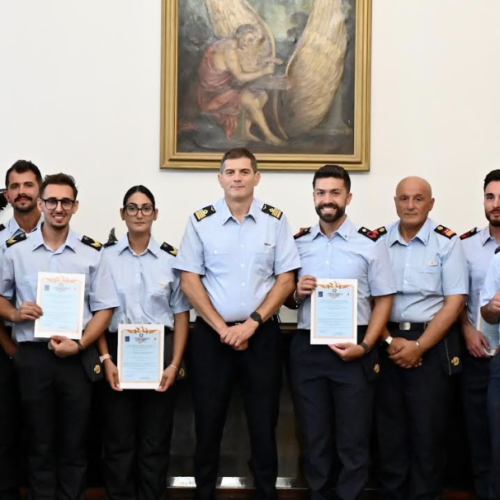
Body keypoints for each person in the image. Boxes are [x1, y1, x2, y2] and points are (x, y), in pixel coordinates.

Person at [174, 147, 300, 500]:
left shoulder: (276, 220)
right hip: (212, 338)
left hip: (262, 336)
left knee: (264, 422)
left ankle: (265, 492)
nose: (237, 178)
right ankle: (203, 493)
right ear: (220, 178)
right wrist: (223, 327)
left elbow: (286, 280)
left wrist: (251, 324)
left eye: (245, 172)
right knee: (208, 422)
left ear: (256, 178)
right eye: (230, 172)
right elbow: (189, 280)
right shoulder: (200, 220)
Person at [0, 173, 119, 500]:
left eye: (66, 201)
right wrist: (14, 313)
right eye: (51, 201)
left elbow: (105, 309)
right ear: (41, 204)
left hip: (76, 357)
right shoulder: (15, 251)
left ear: (75, 206)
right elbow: (0, 297)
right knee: (38, 443)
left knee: (75, 443)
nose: (58, 208)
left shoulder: (92, 252)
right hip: (33, 358)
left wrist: (80, 344)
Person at [289, 165, 395, 500]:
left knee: (353, 438)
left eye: (335, 193)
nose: (327, 199)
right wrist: (296, 293)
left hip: (354, 347)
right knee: (313, 436)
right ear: (314, 197)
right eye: (321, 192)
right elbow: (287, 299)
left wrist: (365, 346)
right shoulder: (298, 243)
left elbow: (384, 300)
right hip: (308, 349)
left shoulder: (370, 244)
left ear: (348, 196)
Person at [376, 176, 468, 500]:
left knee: (427, 436)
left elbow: (455, 301)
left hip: (431, 343)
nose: (410, 205)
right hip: (386, 342)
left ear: (430, 204)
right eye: (404, 199)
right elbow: (370, 300)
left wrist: (419, 346)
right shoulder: (378, 240)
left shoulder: (448, 242)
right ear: (395, 201)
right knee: (390, 436)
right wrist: (389, 342)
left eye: (418, 199)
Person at [97, 185, 190, 500]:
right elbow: (97, 312)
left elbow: (180, 315)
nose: (139, 214)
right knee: (118, 441)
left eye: (146, 207)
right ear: (122, 214)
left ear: (156, 214)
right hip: (116, 352)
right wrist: (106, 359)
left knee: (155, 441)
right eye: (132, 208)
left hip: (158, 353)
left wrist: (174, 364)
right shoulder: (104, 257)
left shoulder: (171, 259)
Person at [0, 160, 43, 500]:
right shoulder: (1, 241)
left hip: (50, 350)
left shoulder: (59, 233)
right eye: (15, 186)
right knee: (7, 427)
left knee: (44, 428)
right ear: (7, 194)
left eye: (28, 185)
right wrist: (10, 347)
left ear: (40, 192)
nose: (22, 192)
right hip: (6, 349)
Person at [459, 169, 500, 500]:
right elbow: (455, 297)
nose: (496, 204)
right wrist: (467, 330)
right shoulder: (466, 246)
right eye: (490, 197)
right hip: (477, 354)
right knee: (479, 436)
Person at [197, 24, 284, 145]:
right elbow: (240, 76)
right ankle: (269, 136)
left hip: (227, 85)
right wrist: (264, 71)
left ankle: (246, 131)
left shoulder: (233, 44)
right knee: (252, 100)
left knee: (263, 95)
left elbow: (246, 65)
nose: (250, 43)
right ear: (240, 36)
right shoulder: (230, 50)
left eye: (253, 40)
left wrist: (268, 61)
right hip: (215, 92)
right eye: (248, 39)